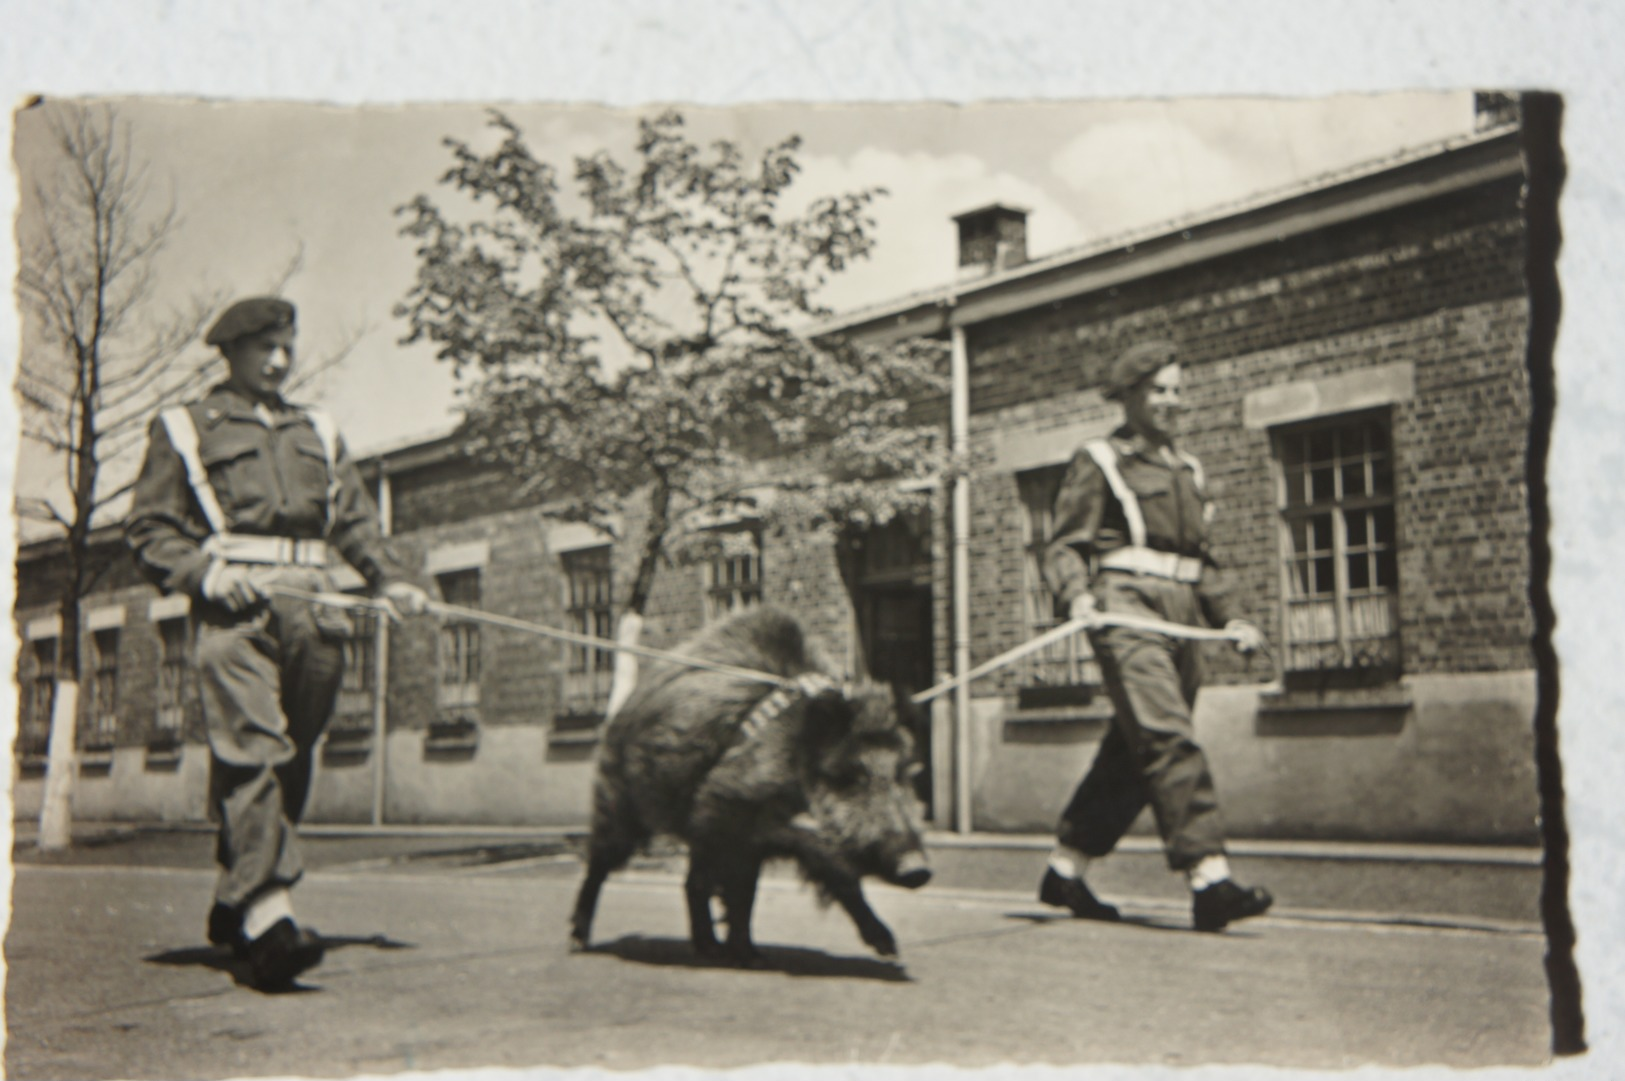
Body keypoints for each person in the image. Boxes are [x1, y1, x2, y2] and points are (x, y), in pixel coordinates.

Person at [126, 297, 431, 988]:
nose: (280, 359)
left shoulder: (316, 428)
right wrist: (206, 572)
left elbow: (352, 520)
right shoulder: (183, 426)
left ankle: (238, 897)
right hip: (235, 611)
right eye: (265, 345)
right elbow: (149, 528)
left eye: (287, 345)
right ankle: (272, 921)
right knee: (254, 752)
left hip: (314, 612)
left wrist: (392, 579)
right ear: (229, 352)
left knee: (290, 760)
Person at [1037, 340, 1274, 933]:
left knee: (1135, 750)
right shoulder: (1100, 460)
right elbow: (1065, 545)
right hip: (1127, 611)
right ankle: (1209, 879)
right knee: (1169, 738)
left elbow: (1205, 563)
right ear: (1131, 396)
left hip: (1182, 616)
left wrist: (1233, 619)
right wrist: (1078, 596)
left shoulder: (1188, 471)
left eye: (1177, 390)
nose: (1172, 401)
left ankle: (1066, 870)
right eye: (1159, 390)